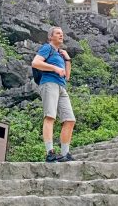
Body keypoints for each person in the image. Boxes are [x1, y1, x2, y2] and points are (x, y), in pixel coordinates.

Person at [32, 26, 75, 163]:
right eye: (58, 33)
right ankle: (50, 153)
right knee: (50, 116)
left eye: (62, 34)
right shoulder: (47, 48)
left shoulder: (60, 54)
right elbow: (35, 63)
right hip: (49, 83)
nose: (61, 35)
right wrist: (55, 68)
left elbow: (67, 76)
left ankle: (64, 154)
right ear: (50, 37)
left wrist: (67, 60)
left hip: (62, 87)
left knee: (69, 120)